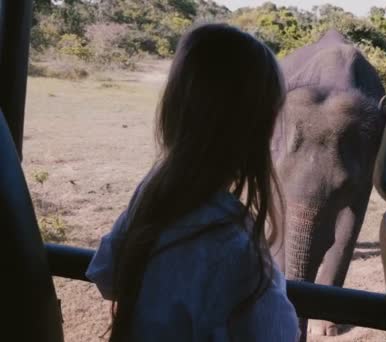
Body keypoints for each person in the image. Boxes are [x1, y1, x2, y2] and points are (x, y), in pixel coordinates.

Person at [85, 23, 299, 341]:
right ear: (264, 127)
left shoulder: (152, 193)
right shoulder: (236, 249)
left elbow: (106, 275)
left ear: (172, 109)